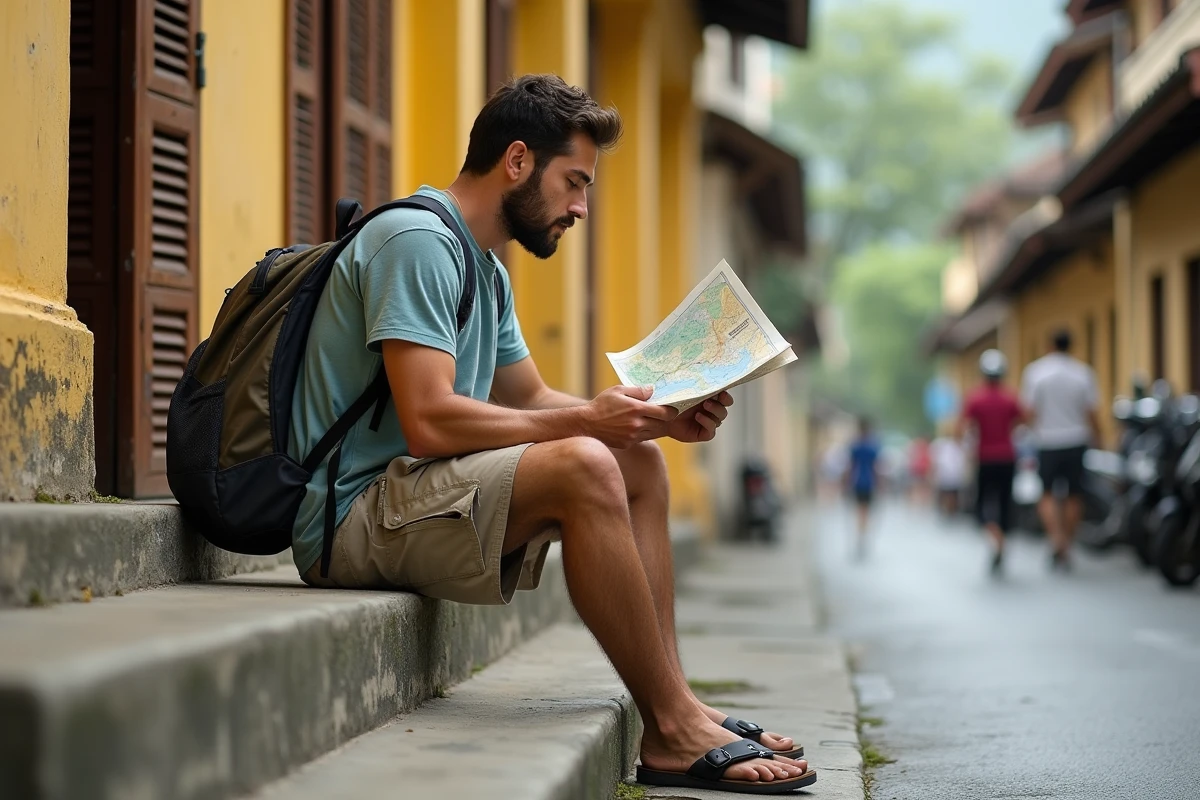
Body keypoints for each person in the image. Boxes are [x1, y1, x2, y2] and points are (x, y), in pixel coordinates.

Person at [286, 75, 814, 793]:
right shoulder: (414, 241)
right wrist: (587, 424)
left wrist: (649, 420)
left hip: (410, 498)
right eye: (573, 182)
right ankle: (670, 726)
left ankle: (677, 701)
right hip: (352, 518)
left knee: (636, 463)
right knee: (585, 465)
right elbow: (431, 418)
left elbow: (529, 396)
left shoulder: (483, 267)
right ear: (516, 162)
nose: (580, 207)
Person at [1020, 330, 1101, 571]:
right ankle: (1067, 544)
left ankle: (1056, 540)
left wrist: (1028, 433)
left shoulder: (1036, 372)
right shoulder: (1083, 373)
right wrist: (1099, 438)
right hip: (1076, 440)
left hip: (1047, 442)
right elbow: (1091, 412)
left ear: (1049, 345)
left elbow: (1030, 412)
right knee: (1074, 495)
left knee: (1046, 495)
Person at [960, 349, 1026, 574]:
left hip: (985, 458)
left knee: (981, 506)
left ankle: (996, 540)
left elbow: (965, 429)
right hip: (1008, 457)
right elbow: (1022, 422)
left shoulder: (975, 398)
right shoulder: (1011, 397)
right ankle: (1002, 542)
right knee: (1005, 503)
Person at [846, 417, 881, 555]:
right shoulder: (873, 446)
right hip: (869, 482)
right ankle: (863, 533)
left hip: (857, 482)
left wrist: (845, 482)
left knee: (859, 510)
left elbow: (850, 467)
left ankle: (860, 533)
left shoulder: (854, 446)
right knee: (866, 511)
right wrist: (880, 483)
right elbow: (876, 467)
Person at [929, 424, 966, 518]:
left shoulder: (958, 443)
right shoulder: (941, 443)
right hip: (947, 472)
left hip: (953, 472)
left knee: (950, 492)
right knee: (948, 492)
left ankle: (950, 510)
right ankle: (947, 510)